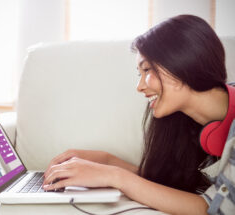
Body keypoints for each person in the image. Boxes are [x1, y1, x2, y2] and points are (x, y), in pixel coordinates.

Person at [42, 15, 235, 214]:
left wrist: (114, 176)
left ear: (182, 63)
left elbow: (213, 209)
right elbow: (173, 186)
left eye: (147, 69)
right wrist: (105, 160)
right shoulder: (188, 120)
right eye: (139, 73)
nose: (139, 86)